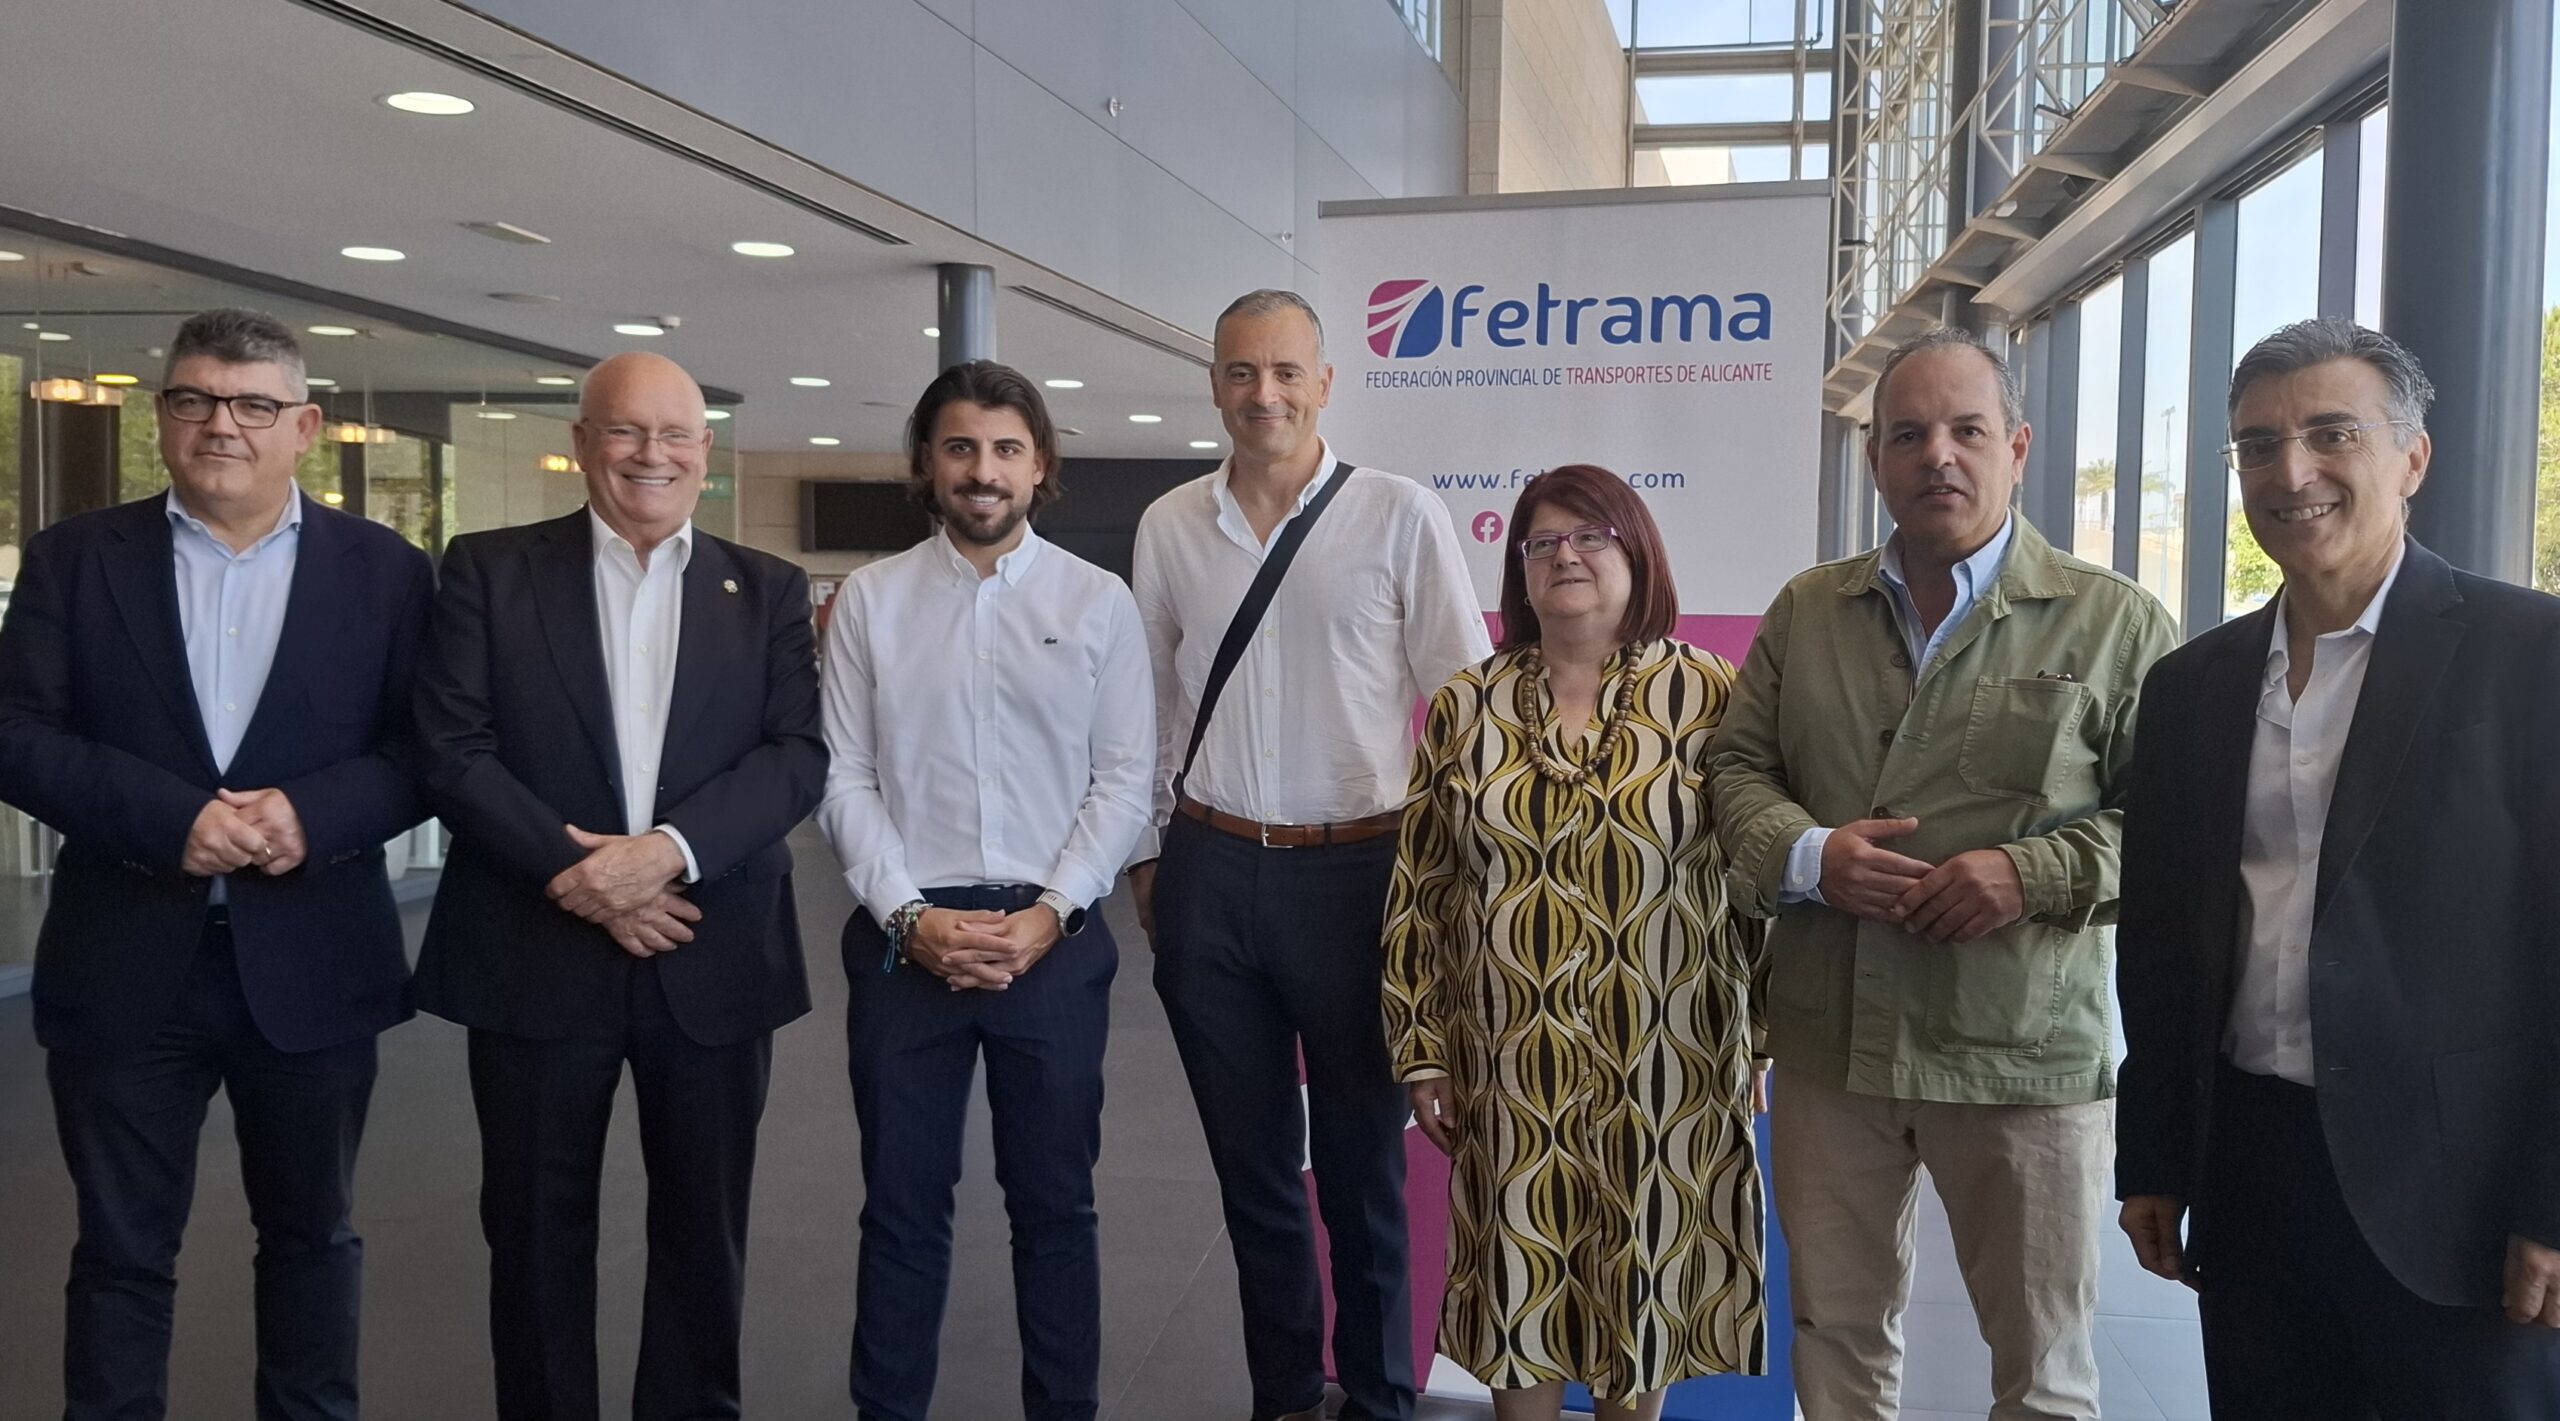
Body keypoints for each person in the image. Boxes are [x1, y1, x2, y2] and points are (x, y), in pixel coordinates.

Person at [1708, 326, 2176, 1421]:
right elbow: (1734, 767)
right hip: (1833, 1046)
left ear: (2017, 446)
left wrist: (2034, 872)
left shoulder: (2114, 622)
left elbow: (2176, 826)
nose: (1938, 456)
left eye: (1967, 430)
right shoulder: (1807, 611)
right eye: (1909, 434)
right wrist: (1811, 854)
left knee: (2042, 1369)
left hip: (2020, 1058)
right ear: (1875, 457)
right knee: (1836, 1341)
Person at [2116, 317, 2560, 1417]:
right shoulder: (2191, 685)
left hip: (2457, 1193)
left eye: (2331, 433)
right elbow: (2162, 939)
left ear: (2411, 457)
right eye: (2257, 444)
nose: (2292, 471)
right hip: (2251, 1172)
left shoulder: (2530, 655)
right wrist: (2154, 1154)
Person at [0, 307, 433, 1421]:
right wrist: (170, 819)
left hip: (315, 961)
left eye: (252, 404)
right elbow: (17, 734)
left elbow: (425, 750)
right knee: (120, 1251)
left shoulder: (388, 571)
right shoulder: (74, 559)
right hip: (124, 958)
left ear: (306, 426)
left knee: (313, 1237)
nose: (221, 425)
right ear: (163, 415)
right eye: (194, 399)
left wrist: (311, 814)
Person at [412, 350, 825, 1421]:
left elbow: (795, 756)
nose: (653, 454)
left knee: (704, 1233)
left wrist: (665, 853)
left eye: (675, 433)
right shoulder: (488, 569)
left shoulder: (767, 588)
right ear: (582, 442)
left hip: (711, 947)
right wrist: (581, 870)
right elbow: (451, 749)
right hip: (532, 951)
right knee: (532, 1233)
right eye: (627, 430)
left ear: (705, 449)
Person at [1129, 288, 1491, 1421]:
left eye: (1286, 371)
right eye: (1242, 371)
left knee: (1361, 1172)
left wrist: (1453, 890)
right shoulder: (1169, 525)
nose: (1265, 394)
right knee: (1251, 1174)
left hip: (1359, 880)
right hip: (1210, 867)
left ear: (1325, 383)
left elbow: (1464, 711)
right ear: (1215, 385)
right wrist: (1149, 857)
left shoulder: (1398, 513)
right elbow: (1145, 705)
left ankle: (1380, 1399)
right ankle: (1285, 1393)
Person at [1382, 465, 1767, 1421]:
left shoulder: (1710, 693)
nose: (1567, 556)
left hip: (1668, 1056)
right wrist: (1423, 1050)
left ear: (1638, 554)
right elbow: (1421, 889)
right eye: (1544, 542)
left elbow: (1753, 878)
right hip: (1511, 1058)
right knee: (1521, 1280)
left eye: (1592, 536)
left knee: (1644, 1285)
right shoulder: (1466, 705)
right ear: (1520, 569)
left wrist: (1759, 1038)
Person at [816, 360, 1154, 1421]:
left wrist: (1051, 914)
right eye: (960, 446)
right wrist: (908, 915)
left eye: (1006, 448)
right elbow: (842, 775)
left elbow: (1124, 779)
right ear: (926, 462)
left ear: (1039, 464)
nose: (983, 469)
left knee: (1055, 1209)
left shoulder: (1097, 602)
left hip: (1052, 943)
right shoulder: (871, 601)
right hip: (904, 943)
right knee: (901, 1211)